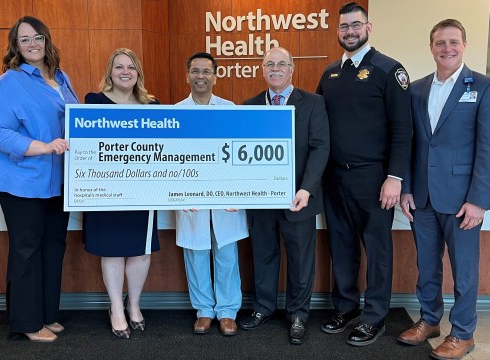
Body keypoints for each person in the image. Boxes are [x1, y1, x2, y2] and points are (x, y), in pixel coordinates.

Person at [397, 19, 490, 360]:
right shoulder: (416, 89)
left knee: (465, 269)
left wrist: (479, 201)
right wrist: (407, 189)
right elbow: (411, 143)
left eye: (453, 42)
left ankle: (463, 332)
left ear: (464, 45)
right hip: (422, 197)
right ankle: (429, 320)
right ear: (431, 48)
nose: (447, 48)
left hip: (462, 200)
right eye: (440, 43)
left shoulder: (485, 88)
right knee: (427, 265)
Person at [316, 1, 412, 346]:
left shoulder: (389, 70)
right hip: (334, 179)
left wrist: (395, 177)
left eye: (356, 25)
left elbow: (404, 129)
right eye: (344, 26)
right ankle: (346, 307)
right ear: (337, 31)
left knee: (377, 250)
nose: (350, 31)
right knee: (341, 247)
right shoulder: (329, 74)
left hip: (375, 179)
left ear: (368, 28)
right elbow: (320, 129)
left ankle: (374, 317)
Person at [0, 16, 79, 342]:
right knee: (26, 250)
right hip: (23, 181)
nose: (33, 44)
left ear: (47, 40)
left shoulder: (60, 78)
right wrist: (41, 147)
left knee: (53, 246)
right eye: (25, 40)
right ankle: (25, 322)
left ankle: (47, 315)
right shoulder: (8, 82)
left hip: (59, 180)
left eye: (37, 37)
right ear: (16, 47)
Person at [239, 46, 330, 345]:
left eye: (281, 64)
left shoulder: (314, 103)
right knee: (263, 254)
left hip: (299, 199)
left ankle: (298, 314)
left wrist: (306, 188)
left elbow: (320, 148)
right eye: (269, 64)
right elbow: (241, 154)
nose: (275, 68)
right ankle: (263, 307)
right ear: (262, 70)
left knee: (301, 260)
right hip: (262, 200)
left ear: (292, 69)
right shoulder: (249, 106)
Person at [83, 48, 160, 339]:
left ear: (138, 72)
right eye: (119, 67)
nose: (125, 71)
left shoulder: (153, 106)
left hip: (143, 191)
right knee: (112, 251)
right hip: (106, 191)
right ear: (110, 72)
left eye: (131, 67)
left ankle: (135, 305)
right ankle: (116, 308)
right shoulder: (93, 103)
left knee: (140, 251)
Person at [174, 52, 249, 337]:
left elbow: (239, 158)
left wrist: (237, 194)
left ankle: (228, 312)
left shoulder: (230, 109)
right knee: (196, 254)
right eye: (195, 71)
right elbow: (170, 159)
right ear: (187, 76)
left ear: (215, 76)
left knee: (227, 254)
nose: (201, 76)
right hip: (191, 198)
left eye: (206, 71)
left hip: (224, 199)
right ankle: (204, 310)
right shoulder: (176, 111)